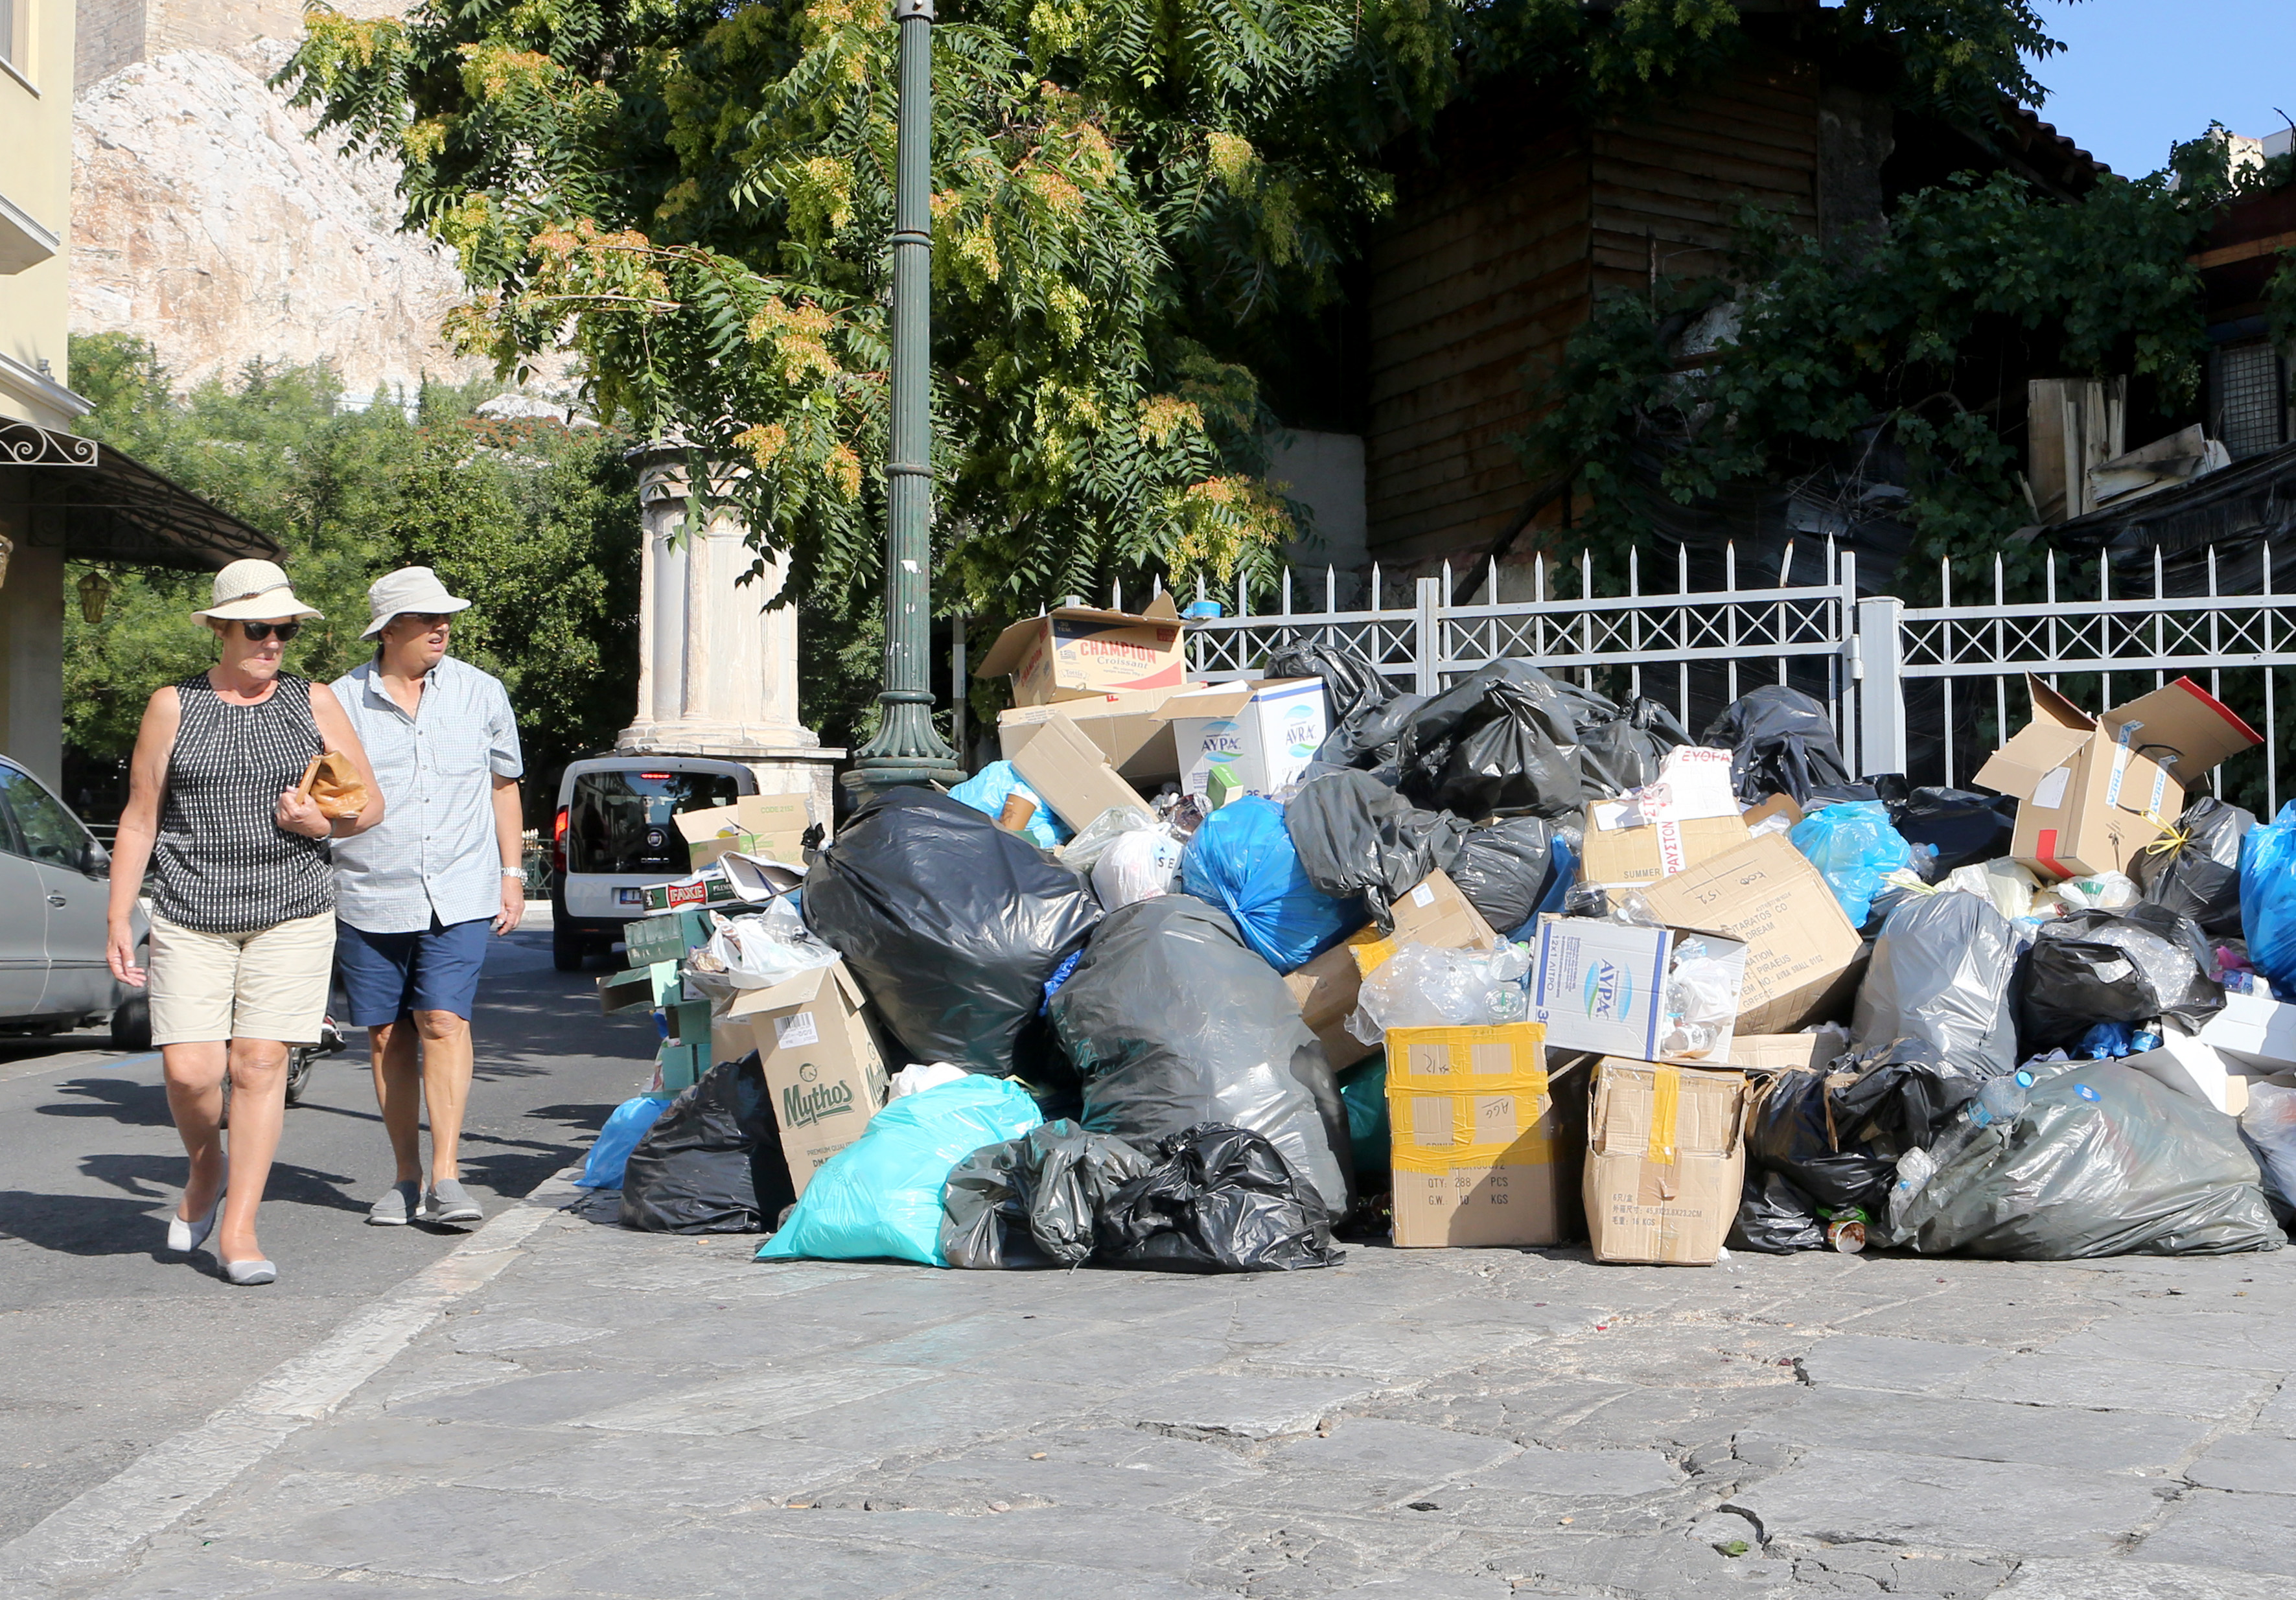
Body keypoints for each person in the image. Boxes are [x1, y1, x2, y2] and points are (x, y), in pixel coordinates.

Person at [106, 559, 386, 1286]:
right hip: (189, 907)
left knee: (258, 1064)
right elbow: (140, 817)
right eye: (260, 629)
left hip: (291, 907)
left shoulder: (314, 702)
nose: (274, 642)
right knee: (190, 1069)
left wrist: (322, 820)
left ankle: (240, 1228)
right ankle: (207, 1167)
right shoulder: (173, 705)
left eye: (285, 630)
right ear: (223, 629)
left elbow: (369, 806)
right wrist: (117, 914)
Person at [330, 568, 526, 1230]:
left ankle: (447, 1176)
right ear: (389, 631)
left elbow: (504, 786)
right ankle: (403, 1176)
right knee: (388, 1035)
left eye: (446, 617)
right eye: (425, 618)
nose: (442, 627)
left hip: (461, 888)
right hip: (368, 890)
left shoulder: (482, 692)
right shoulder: (337, 702)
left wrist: (512, 873)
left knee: (443, 1021)